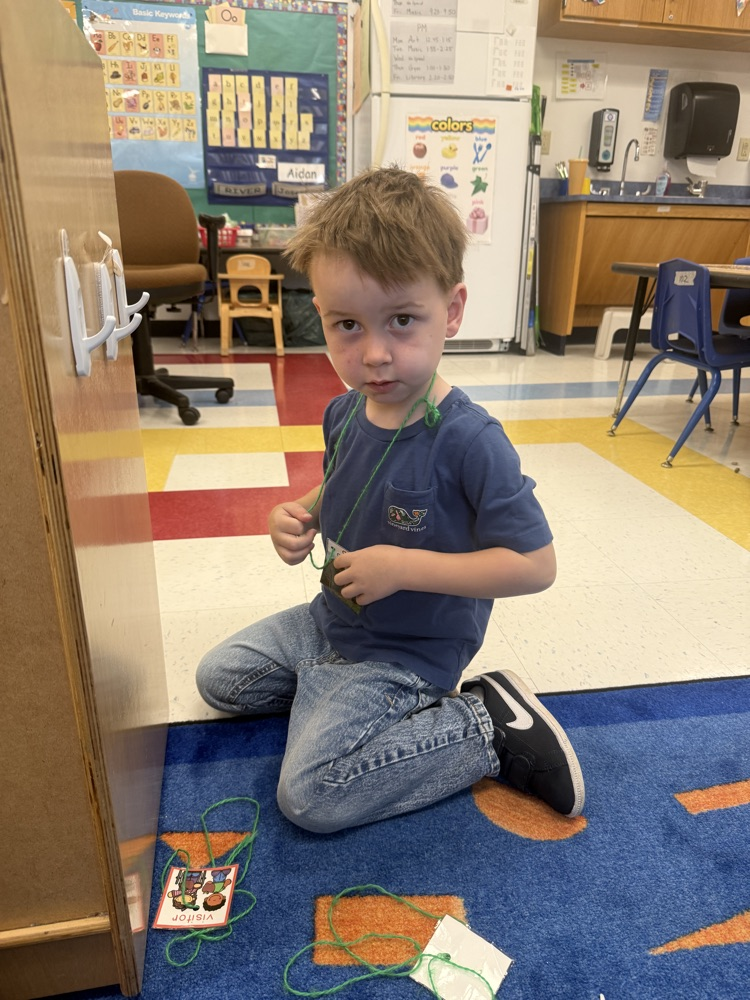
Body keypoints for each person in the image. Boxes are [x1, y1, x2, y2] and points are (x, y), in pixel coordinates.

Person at [196, 167, 584, 832]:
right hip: (329, 622)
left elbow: (535, 565)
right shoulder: (346, 412)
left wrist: (402, 569)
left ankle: (483, 723)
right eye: (347, 324)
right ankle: (331, 697)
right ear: (319, 313)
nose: (374, 354)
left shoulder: (470, 440)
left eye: (402, 321)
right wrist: (302, 512)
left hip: (408, 653)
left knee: (312, 797)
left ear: (452, 311)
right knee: (219, 678)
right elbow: (348, 477)